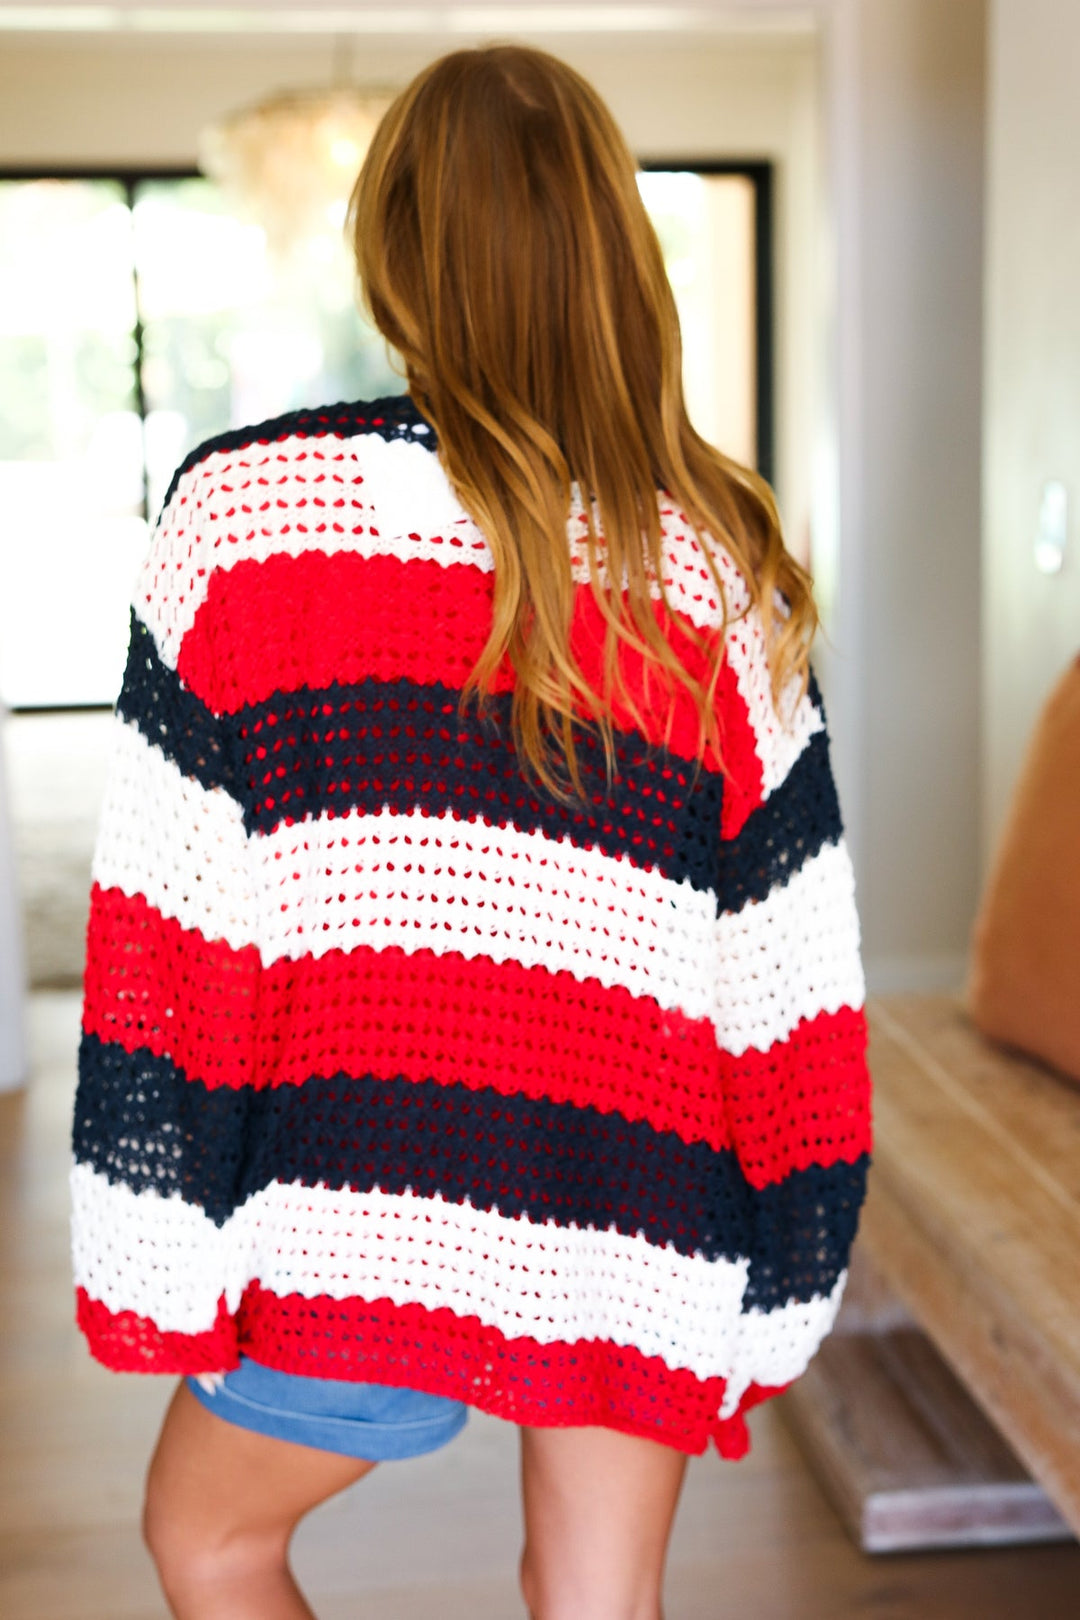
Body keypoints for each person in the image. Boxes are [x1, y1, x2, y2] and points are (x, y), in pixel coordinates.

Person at [70, 43, 871, 1620]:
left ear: (396, 257)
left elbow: (170, 933)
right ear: (618, 267)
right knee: (596, 1601)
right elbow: (790, 973)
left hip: (353, 1207)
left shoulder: (245, 517)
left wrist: (166, 1250)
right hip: (635, 1206)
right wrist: (783, 1275)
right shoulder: (719, 566)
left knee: (209, 1541)